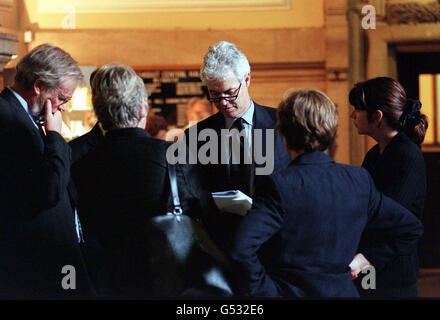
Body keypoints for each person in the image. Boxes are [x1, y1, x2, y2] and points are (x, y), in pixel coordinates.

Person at [230, 89, 423, 298]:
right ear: (333, 134)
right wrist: (367, 258)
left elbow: (241, 249)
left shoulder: (279, 185)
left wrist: (268, 291)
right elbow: (410, 227)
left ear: (283, 134)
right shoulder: (358, 181)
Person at [71, 64, 224, 298]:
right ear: (143, 108)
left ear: (99, 113)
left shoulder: (80, 165)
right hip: (166, 281)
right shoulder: (176, 155)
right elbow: (208, 215)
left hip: (107, 285)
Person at [0, 44, 95, 298]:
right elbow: (49, 190)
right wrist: (55, 137)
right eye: (62, 98)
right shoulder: (7, 118)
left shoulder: (22, 116)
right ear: (39, 86)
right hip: (32, 268)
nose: (63, 108)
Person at [184, 41, 291, 252]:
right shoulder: (196, 136)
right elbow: (193, 192)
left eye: (229, 92)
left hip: (276, 241)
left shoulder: (283, 123)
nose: (222, 102)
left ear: (247, 79)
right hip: (222, 245)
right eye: (214, 94)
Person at [349, 77, 428, 298]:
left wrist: (367, 257)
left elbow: (394, 220)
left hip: (393, 270)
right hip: (368, 265)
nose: (352, 116)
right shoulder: (375, 154)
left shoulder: (407, 156)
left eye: (357, 109)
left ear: (377, 117)